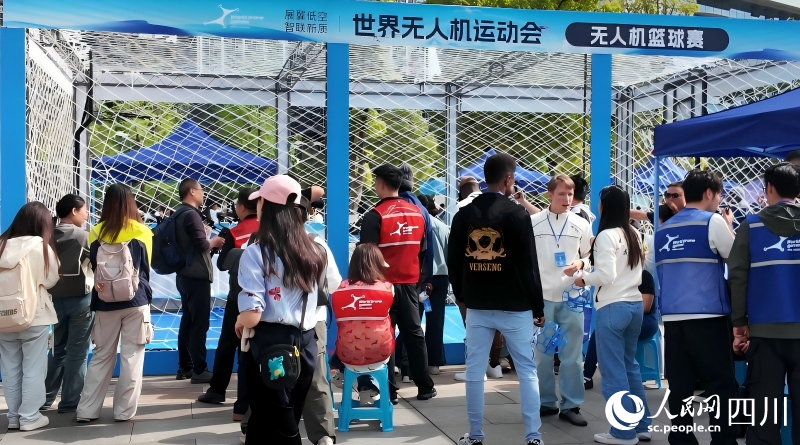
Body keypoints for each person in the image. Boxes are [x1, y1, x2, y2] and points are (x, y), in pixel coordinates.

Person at [448, 152, 546, 445]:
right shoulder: (516, 214)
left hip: (478, 304)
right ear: (508, 179)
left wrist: (464, 294)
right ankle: (533, 437)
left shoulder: (464, 214)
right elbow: (529, 264)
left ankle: (476, 434)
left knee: (476, 371)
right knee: (527, 371)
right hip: (515, 305)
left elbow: (453, 260)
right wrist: (537, 305)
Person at [234, 175, 326, 444]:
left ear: (267, 206)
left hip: (271, 347)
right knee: (286, 418)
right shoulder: (316, 249)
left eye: (260, 200)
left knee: (274, 426)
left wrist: (240, 320)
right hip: (306, 344)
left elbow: (252, 313)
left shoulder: (256, 252)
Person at [654, 169, 738, 445]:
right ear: (709, 193)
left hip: (673, 320)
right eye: (719, 194)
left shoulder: (664, 229)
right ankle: (723, 440)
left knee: (680, 386)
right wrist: (730, 225)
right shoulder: (712, 222)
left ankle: (681, 439)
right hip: (709, 317)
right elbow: (736, 260)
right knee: (719, 385)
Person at [728, 162, 800, 444]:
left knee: (764, 411)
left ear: (768, 188)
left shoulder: (751, 226)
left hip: (764, 334)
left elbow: (737, 276)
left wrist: (739, 323)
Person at [575, 185, 652, 445]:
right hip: (633, 306)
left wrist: (582, 278)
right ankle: (641, 426)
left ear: (605, 205)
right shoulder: (632, 232)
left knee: (613, 372)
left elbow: (606, 275)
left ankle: (622, 432)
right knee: (630, 367)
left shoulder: (607, 235)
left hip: (612, 307)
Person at [359, 164, 436, 402]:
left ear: (381, 184)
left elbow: (367, 257)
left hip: (382, 287)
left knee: (385, 335)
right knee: (414, 333)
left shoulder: (374, 215)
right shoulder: (418, 212)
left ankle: (389, 391)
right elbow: (424, 251)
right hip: (410, 284)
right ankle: (424, 386)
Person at [77, 184, 153, 423]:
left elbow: (92, 268)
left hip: (104, 302)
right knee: (132, 357)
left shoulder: (96, 232)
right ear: (131, 203)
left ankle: (86, 411)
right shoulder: (142, 231)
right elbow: (146, 270)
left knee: (101, 356)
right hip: (135, 301)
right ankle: (123, 412)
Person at [530, 174, 593, 427]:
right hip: (542, 297)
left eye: (570, 193)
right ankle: (546, 402)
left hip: (572, 297)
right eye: (561, 194)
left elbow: (591, 257)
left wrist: (580, 263)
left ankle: (571, 404)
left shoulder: (581, 224)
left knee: (572, 355)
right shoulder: (533, 222)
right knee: (542, 354)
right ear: (549, 195)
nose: (567, 199)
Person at [197, 188, 260, 421]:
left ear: (243, 207)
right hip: (266, 298)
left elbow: (223, 265)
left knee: (228, 344)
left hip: (238, 296)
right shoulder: (270, 229)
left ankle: (217, 390)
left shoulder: (233, 232)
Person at [0, 202, 60, 431]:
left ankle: (13, 417)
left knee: (10, 368)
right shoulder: (39, 246)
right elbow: (51, 278)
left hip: (3, 318)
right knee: (33, 368)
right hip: (34, 315)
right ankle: (29, 417)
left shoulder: (2, 244)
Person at [299, 186, 342, 445]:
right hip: (313, 321)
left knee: (270, 379)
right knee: (316, 379)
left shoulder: (260, 245)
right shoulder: (318, 245)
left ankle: (258, 428)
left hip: (271, 326)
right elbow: (334, 283)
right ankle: (323, 435)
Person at [44, 194, 94, 413]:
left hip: (54, 299)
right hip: (81, 300)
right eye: (84, 210)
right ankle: (70, 401)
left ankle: (45, 399)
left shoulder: (46, 236)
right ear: (74, 211)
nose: (87, 214)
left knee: (57, 350)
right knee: (78, 352)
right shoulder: (83, 236)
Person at [175, 179, 224, 382]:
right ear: (192, 191)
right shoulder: (191, 215)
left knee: (187, 320)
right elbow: (201, 245)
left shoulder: (177, 213)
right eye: (201, 190)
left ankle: (185, 366)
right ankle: (199, 369)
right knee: (199, 322)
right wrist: (215, 241)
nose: (203, 194)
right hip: (197, 276)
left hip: (183, 274)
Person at [584, 269, 658, 390]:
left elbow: (646, 307)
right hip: (625, 315)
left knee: (607, 329)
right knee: (600, 330)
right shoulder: (617, 275)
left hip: (645, 320)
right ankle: (587, 375)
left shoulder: (644, 275)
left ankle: (615, 377)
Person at [331, 244, 395, 371]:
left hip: (346, 355)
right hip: (381, 354)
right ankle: (373, 385)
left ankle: (341, 371)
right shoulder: (388, 288)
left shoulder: (338, 289)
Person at [418, 194, 450, 375]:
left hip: (420, 277)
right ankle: (434, 362)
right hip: (441, 277)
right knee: (436, 320)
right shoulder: (443, 226)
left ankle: (407, 362)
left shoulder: (416, 224)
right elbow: (448, 253)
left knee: (413, 319)